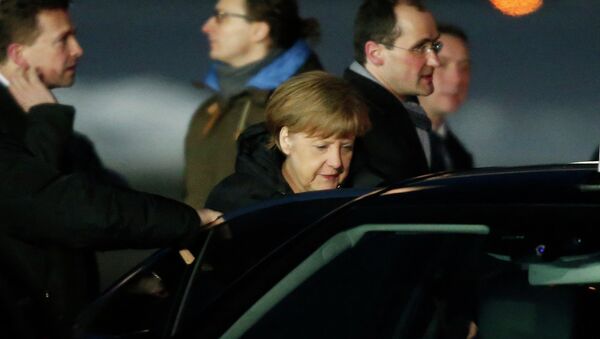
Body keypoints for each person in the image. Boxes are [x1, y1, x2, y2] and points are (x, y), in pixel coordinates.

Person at [0, 1, 221, 338]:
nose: (78, 49)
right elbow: (61, 209)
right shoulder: (32, 122)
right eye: (63, 39)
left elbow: (112, 205)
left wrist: (140, 281)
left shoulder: (62, 132)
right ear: (18, 55)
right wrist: (188, 220)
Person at [184, 0, 323, 210]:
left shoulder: (311, 103)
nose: (207, 27)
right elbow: (195, 198)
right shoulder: (211, 111)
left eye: (222, 16)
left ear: (259, 30)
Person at [205, 71, 371, 213]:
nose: (336, 162)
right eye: (322, 147)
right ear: (286, 140)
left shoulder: (368, 198)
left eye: (346, 147)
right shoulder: (241, 204)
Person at [344, 0, 442, 188]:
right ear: (375, 53)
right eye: (420, 48)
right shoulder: (346, 111)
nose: (435, 61)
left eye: (435, 46)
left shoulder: (402, 105)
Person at [418, 24, 474, 172]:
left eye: (464, 67)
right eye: (441, 64)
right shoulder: (379, 143)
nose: (456, 79)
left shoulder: (459, 155)